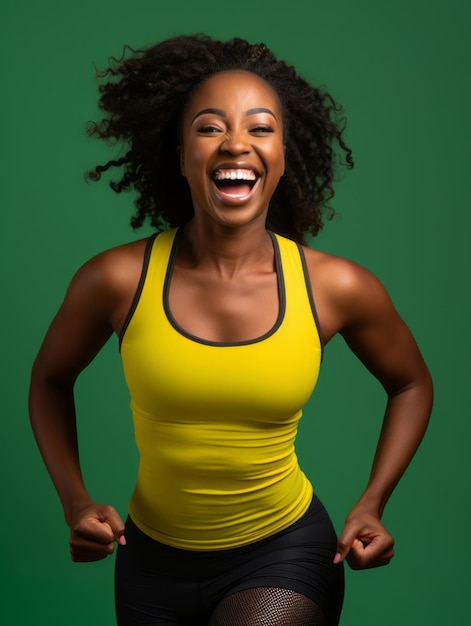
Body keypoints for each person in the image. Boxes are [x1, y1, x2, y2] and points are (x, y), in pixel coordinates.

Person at [29, 34, 433, 626]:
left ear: (285, 155)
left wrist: (373, 503)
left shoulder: (334, 287)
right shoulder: (116, 279)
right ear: (180, 153)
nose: (236, 143)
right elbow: (49, 380)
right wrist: (75, 502)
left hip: (283, 553)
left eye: (260, 128)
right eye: (210, 127)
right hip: (148, 563)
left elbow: (411, 383)